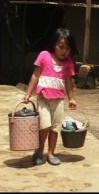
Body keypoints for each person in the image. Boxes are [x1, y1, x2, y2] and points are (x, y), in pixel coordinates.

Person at [24, 28, 78, 166]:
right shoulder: (44, 55)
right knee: (44, 126)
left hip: (59, 101)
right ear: (54, 44)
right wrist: (28, 93)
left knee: (55, 128)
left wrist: (71, 98)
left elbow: (68, 83)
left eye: (67, 48)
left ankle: (51, 153)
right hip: (43, 99)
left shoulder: (68, 63)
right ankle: (39, 150)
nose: (64, 51)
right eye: (61, 47)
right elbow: (35, 75)